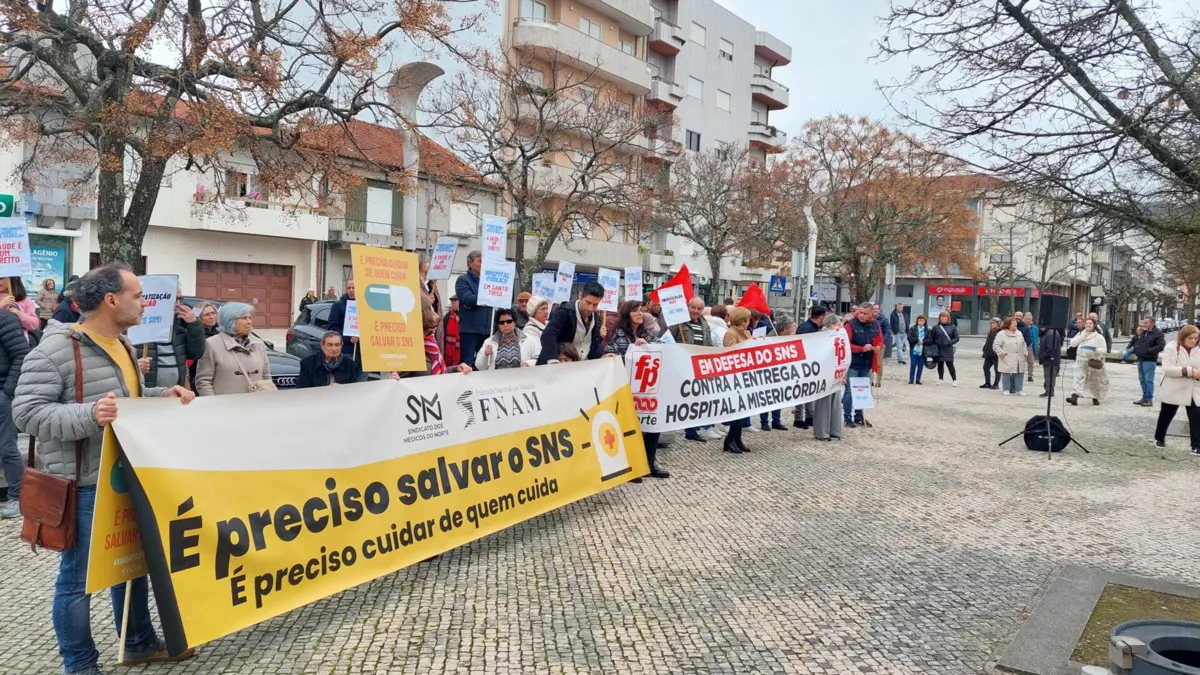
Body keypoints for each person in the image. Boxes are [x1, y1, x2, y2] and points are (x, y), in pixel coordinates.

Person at [12, 263, 195, 675]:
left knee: (131, 567)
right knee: (77, 582)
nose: (145, 302)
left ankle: (137, 643)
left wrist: (162, 394)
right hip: (83, 484)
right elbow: (27, 414)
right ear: (111, 300)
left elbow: (125, 399)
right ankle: (79, 666)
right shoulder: (55, 349)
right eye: (137, 294)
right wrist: (90, 415)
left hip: (124, 477)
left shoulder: (124, 346)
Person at [604, 300, 669, 480]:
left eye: (641, 310)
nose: (640, 314)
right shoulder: (619, 335)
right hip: (627, 388)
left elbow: (664, 347)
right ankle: (633, 465)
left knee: (653, 424)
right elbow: (611, 356)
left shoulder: (645, 333)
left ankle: (649, 463)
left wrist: (648, 346)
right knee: (632, 428)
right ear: (627, 314)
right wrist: (633, 349)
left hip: (647, 389)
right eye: (635, 311)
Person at [195, 302, 271, 396]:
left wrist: (267, 398)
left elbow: (266, 376)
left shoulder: (258, 344)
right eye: (244, 318)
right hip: (225, 407)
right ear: (230, 321)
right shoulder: (211, 344)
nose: (249, 322)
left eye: (249, 318)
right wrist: (213, 405)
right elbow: (203, 382)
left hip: (256, 406)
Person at [141, 288, 206, 389]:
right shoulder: (136, 324)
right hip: (146, 394)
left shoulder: (179, 323)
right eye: (174, 299)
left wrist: (194, 325)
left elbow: (195, 354)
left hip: (175, 392)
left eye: (180, 299)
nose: (178, 304)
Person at [1154, 325, 1200, 453]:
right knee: (1167, 414)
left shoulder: (1198, 349)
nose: (1194, 341)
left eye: (1196, 338)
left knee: (1196, 416)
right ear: (1183, 337)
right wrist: (1189, 371)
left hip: (1193, 388)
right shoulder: (1172, 347)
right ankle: (1160, 437)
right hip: (1174, 386)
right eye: (1190, 338)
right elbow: (1168, 369)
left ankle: (1196, 445)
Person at [0, 310, 28, 519]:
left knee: (6, 447)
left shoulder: (6, 319)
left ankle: (18, 497)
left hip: (2, 393)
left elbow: (21, 354)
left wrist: (7, 391)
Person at [537, 281, 606, 365]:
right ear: (580, 296)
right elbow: (548, 335)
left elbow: (592, 346)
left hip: (582, 369)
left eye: (595, 305)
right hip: (559, 365)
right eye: (587, 302)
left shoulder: (596, 318)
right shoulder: (564, 313)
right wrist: (553, 359)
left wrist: (602, 358)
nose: (590, 308)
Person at [843, 303, 880, 427]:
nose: (861, 315)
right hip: (854, 362)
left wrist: (878, 347)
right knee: (849, 391)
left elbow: (879, 339)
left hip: (867, 363)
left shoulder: (875, 324)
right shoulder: (851, 324)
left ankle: (859, 416)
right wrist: (861, 349)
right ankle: (847, 417)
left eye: (865, 313)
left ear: (871, 313)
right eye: (860, 313)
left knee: (863, 390)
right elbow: (846, 344)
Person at [722, 307, 753, 454]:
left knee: (744, 408)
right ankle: (730, 439)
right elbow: (731, 353)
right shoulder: (730, 333)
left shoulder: (747, 333)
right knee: (737, 409)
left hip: (746, 375)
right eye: (747, 319)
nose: (749, 322)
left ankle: (737, 438)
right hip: (735, 376)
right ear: (742, 321)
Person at [454, 251, 491, 368]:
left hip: (488, 330)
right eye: (480, 261)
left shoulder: (489, 281)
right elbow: (467, 299)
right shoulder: (463, 280)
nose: (483, 264)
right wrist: (487, 294)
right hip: (470, 331)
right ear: (470, 263)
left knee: (486, 363)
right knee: (467, 364)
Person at [813, 313, 845, 442]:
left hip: (835, 373)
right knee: (824, 403)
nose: (839, 327)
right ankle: (822, 432)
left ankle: (834, 430)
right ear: (831, 325)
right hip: (824, 373)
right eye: (837, 324)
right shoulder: (821, 336)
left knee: (835, 403)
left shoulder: (836, 336)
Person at [297, 331, 366, 388]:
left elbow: (354, 390)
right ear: (322, 345)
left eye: (337, 345)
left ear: (342, 345)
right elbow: (302, 391)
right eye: (329, 345)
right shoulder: (307, 364)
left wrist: (343, 389)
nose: (333, 349)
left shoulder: (350, 365)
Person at [1067, 318, 1108, 406]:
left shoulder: (1098, 337)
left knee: (1093, 380)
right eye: (1087, 323)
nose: (1088, 325)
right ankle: (1074, 397)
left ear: (1094, 325)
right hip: (1080, 360)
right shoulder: (1081, 333)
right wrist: (1082, 336)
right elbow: (1073, 343)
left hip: (1091, 361)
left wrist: (1095, 349)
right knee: (1078, 377)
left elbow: (1104, 350)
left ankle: (1095, 398)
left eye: (1090, 323)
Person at [1132, 317, 1166, 407]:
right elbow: (1139, 342)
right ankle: (1144, 397)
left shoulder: (1158, 333)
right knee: (1142, 379)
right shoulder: (1144, 332)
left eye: (1146, 323)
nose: (1144, 325)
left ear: (1152, 323)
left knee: (1148, 380)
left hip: (1150, 359)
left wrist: (1149, 350)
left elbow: (1161, 346)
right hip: (1141, 358)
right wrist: (1137, 349)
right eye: (1144, 323)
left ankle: (1149, 399)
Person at [994, 317, 1028, 396]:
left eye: (1016, 323)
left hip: (1019, 357)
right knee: (1006, 373)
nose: (1016, 324)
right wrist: (1002, 353)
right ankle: (1006, 389)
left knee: (1019, 373)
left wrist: (1025, 352)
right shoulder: (1001, 334)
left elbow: (1024, 344)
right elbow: (996, 346)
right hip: (1007, 357)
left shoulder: (1019, 333)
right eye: (1014, 323)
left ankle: (1019, 389)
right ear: (1008, 324)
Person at [326, 279, 358, 358]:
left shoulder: (366, 305)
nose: (351, 290)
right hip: (346, 350)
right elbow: (332, 327)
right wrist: (348, 338)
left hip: (364, 353)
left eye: (353, 288)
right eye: (349, 288)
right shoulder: (338, 305)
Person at [930, 312, 960, 386]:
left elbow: (956, 338)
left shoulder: (952, 327)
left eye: (945, 317)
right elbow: (932, 338)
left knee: (950, 364)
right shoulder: (936, 327)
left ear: (948, 318)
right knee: (940, 364)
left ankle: (954, 380)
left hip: (948, 349)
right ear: (939, 318)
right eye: (942, 317)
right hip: (938, 348)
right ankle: (940, 379)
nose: (943, 318)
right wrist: (934, 345)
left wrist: (950, 342)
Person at [1039, 324, 1063, 398]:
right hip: (1048, 359)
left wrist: (1042, 356)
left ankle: (1049, 391)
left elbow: (1051, 348)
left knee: (1049, 376)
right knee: (1048, 376)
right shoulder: (1047, 333)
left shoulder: (1051, 334)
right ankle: (1048, 390)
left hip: (1050, 360)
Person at [907, 315, 930, 385]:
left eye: (922, 320)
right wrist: (917, 340)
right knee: (913, 364)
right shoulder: (913, 328)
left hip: (923, 350)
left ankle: (918, 379)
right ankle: (911, 379)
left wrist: (924, 341)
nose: (921, 322)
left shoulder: (928, 329)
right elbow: (909, 338)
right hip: (914, 349)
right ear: (917, 321)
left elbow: (930, 340)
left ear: (925, 321)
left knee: (921, 365)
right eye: (919, 320)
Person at [981, 318, 1001, 389]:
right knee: (985, 367)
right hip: (988, 353)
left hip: (996, 354)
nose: (992, 325)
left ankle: (996, 384)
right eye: (991, 323)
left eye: (994, 323)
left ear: (998, 324)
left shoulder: (1000, 332)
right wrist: (984, 349)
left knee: (997, 369)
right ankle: (987, 382)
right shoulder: (991, 331)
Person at [444, 296, 461, 367]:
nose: (453, 303)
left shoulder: (464, 314)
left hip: (461, 343)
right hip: (449, 345)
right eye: (452, 302)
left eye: (455, 301)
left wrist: (460, 322)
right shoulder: (447, 316)